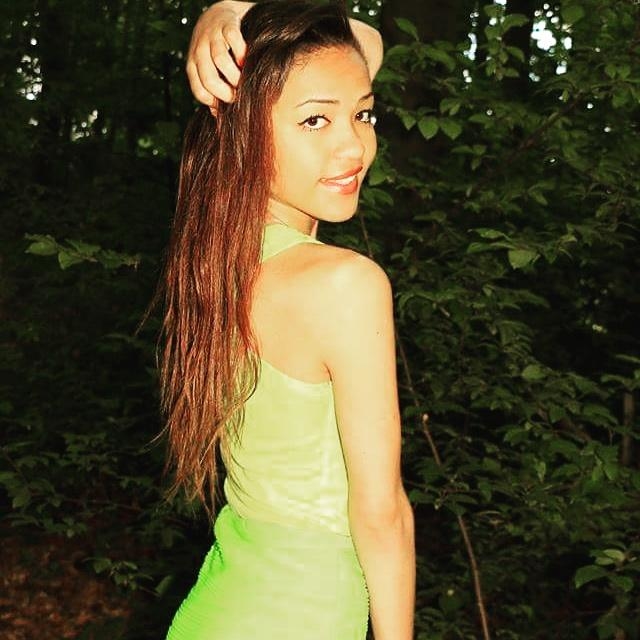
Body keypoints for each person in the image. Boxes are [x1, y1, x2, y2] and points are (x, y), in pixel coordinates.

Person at [160, 1, 415, 638]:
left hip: (220, 607)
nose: (353, 145)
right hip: (303, 615)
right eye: (314, 120)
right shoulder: (342, 284)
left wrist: (227, 13)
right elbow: (381, 514)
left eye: (363, 114)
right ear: (242, 126)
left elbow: (360, 46)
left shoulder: (216, 261)